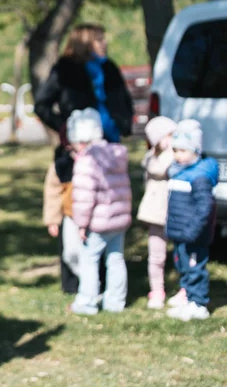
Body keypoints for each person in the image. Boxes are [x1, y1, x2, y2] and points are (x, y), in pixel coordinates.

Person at [34, 23, 133, 292]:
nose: (105, 42)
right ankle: (75, 280)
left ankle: (104, 276)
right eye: (100, 38)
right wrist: (64, 128)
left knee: (106, 205)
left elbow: (123, 98)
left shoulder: (108, 67)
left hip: (109, 147)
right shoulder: (65, 69)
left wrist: (123, 122)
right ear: (87, 41)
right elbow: (42, 104)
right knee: (77, 204)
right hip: (78, 148)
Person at [68, 108, 132, 315]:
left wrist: (81, 224)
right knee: (115, 259)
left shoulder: (86, 161)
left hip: (98, 222)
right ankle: (115, 301)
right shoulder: (115, 154)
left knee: (89, 261)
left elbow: (84, 197)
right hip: (119, 219)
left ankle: (87, 302)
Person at [164, 120, 218, 322]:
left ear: (195, 150)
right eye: (175, 150)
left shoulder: (199, 176)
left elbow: (204, 207)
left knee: (195, 270)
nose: (178, 155)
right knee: (184, 268)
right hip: (181, 234)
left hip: (194, 235)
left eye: (183, 151)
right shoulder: (179, 172)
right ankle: (188, 299)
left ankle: (199, 303)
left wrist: (192, 231)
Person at [135, 117, 177, 309]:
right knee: (156, 257)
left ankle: (182, 289)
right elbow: (158, 169)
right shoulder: (156, 160)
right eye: (170, 135)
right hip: (156, 214)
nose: (173, 139)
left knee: (180, 255)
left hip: (175, 214)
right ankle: (157, 290)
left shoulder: (177, 157)